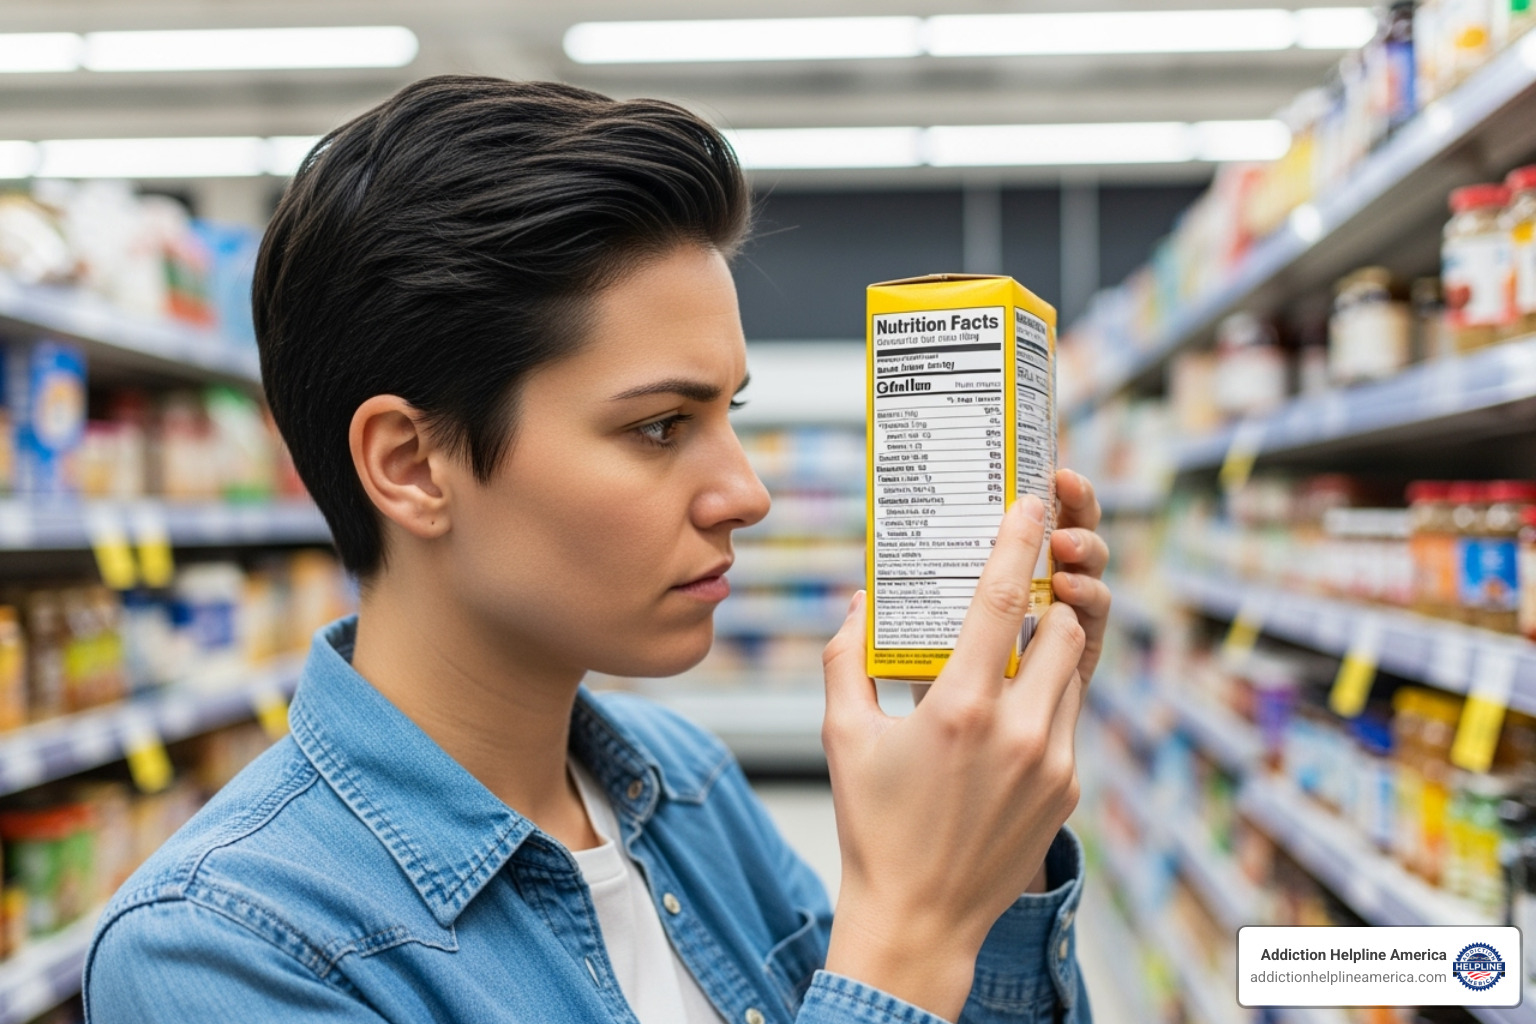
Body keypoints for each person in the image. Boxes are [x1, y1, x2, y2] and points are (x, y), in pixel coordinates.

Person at [82, 76, 1111, 1024]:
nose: (745, 494)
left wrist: (993, 850)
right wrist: (909, 936)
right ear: (410, 465)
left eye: (729, 413)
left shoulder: (686, 784)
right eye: (661, 425)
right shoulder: (218, 950)